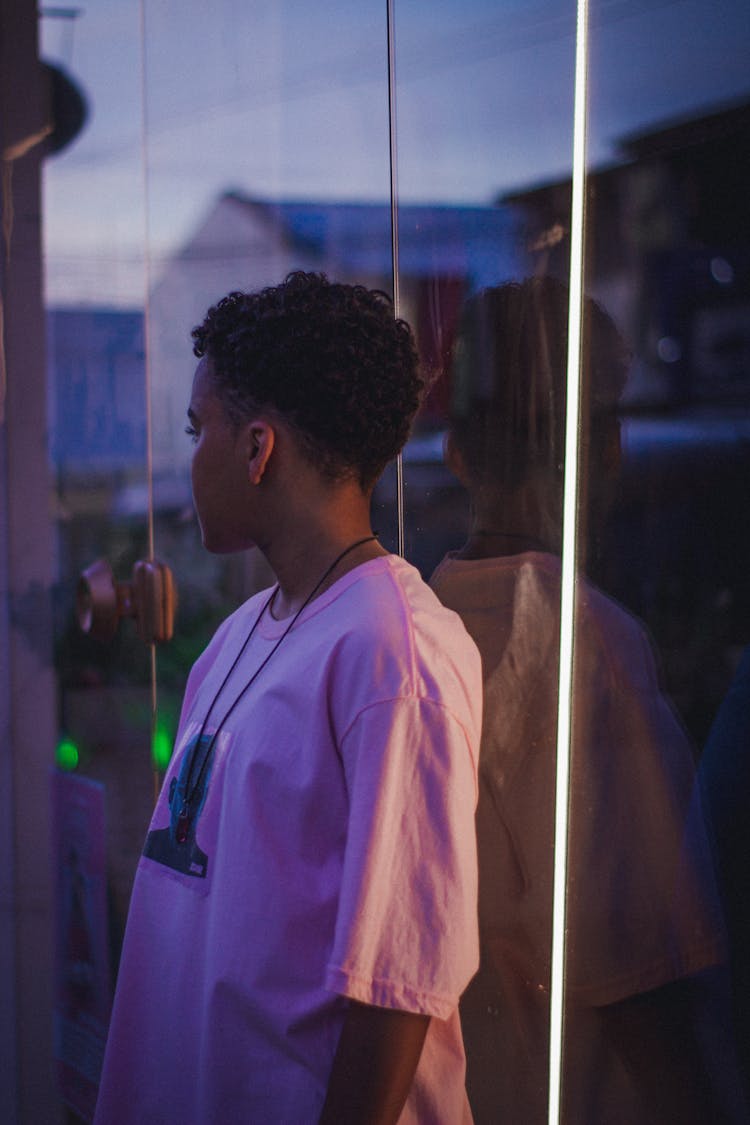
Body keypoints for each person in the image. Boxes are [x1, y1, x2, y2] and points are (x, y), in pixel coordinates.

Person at [93, 272, 482, 1125]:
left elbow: (396, 985)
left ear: (258, 447)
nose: (189, 457)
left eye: (200, 430)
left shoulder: (394, 653)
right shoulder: (237, 637)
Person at [430, 277, 746, 1123]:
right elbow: (644, 985)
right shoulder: (587, 645)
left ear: (457, 449)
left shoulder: (424, 627)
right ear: (604, 446)